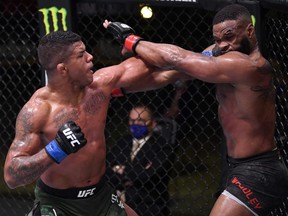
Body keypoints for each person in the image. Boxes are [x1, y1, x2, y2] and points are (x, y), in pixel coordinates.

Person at [104, 3, 288, 216]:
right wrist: (115, 90)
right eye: (218, 39)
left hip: (259, 171)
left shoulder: (250, 66)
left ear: (249, 30)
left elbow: (177, 58)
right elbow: (169, 72)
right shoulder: (221, 54)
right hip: (237, 167)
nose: (223, 45)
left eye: (229, 36)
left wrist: (131, 39)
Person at [3, 30, 187, 216]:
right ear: (63, 69)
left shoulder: (100, 87)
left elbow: (165, 64)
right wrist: (57, 149)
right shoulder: (38, 111)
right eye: (81, 55)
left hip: (101, 196)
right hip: (59, 204)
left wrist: (133, 42)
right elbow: (12, 176)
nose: (91, 57)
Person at [106, 105, 176, 216]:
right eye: (132, 120)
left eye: (141, 120)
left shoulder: (163, 146)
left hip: (148, 206)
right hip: (118, 203)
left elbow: (149, 176)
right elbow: (106, 171)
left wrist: (121, 169)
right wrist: (135, 173)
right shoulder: (123, 142)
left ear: (152, 123)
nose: (136, 124)